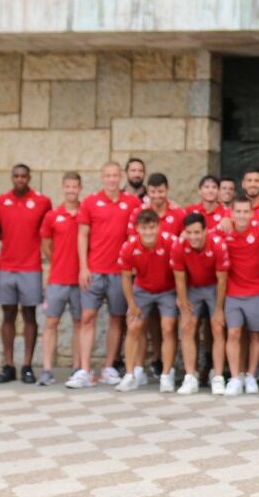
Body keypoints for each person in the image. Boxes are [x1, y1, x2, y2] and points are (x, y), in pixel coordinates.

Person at [77, 162, 143, 384]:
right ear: (102, 177)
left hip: (119, 272)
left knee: (117, 318)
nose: (112, 179)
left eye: (116, 176)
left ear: (121, 177)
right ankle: (85, 370)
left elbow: (140, 230)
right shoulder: (90, 202)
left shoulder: (132, 203)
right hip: (94, 270)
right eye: (108, 176)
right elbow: (83, 234)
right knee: (87, 317)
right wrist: (83, 267)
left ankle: (108, 368)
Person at [0, 164, 50, 384]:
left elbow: (47, 232)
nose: (20, 179)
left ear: (29, 178)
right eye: (16, 176)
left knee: (29, 315)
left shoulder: (42, 202)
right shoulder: (0, 201)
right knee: (7, 314)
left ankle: (27, 365)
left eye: (23, 176)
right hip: (6, 266)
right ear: (11, 177)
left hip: (31, 267)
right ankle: (8, 365)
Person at [115, 210, 178, 392]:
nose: (149, 232)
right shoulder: (129, 246)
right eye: (144, 228)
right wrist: (132, 305)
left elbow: (180, 272)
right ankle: (130, 374)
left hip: (167, 289)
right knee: (134, 326)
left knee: (168, 327)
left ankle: (166, 375)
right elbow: (126, 278)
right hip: (142, 289)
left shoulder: (170, 242)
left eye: (152, 227)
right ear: (137, 229)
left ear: (158, 226)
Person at [172, 212, 230, 394]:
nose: (193, 237)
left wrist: (219, 309)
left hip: (214, 286)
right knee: (187, 327)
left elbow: (222, 280)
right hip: (193, 287)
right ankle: (190, 377)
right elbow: (180, 279)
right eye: (189, 232)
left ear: (205, 231)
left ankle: (218, 376)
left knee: (218, 327)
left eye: (197, 232)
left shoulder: (218, 245)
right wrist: (184, 306)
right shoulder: (179, 246)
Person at [219, 196, 259, 394]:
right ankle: (234, 377)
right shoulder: (224, 230)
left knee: (256, 335)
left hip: (257, 291)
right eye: (238, 212)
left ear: (251, 213)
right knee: (233, 333)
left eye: (245, 212)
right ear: (232, 213)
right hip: (233, 292)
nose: (241, 216)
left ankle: (250, 375)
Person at [42, 173, 86, 387]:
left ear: (80, 188)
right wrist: (58, 261)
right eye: (67, 186)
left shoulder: (86, 214)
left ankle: (77, 368)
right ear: (62, 188)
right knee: (51, 322)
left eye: (74, 187)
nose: (71, 190)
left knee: (80, 323)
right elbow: (46, 245)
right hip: (57, 279)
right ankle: (47, 369)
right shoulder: (52, 216)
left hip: (80, 280)